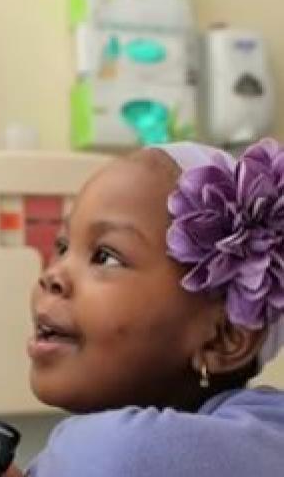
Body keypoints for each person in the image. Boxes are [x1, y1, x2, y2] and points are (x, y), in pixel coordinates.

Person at [16, 139, 284, 476]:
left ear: (223, 337)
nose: (53, 275)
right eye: (62, 246)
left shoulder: (108, 453)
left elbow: (106, 454)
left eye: (106, 256)